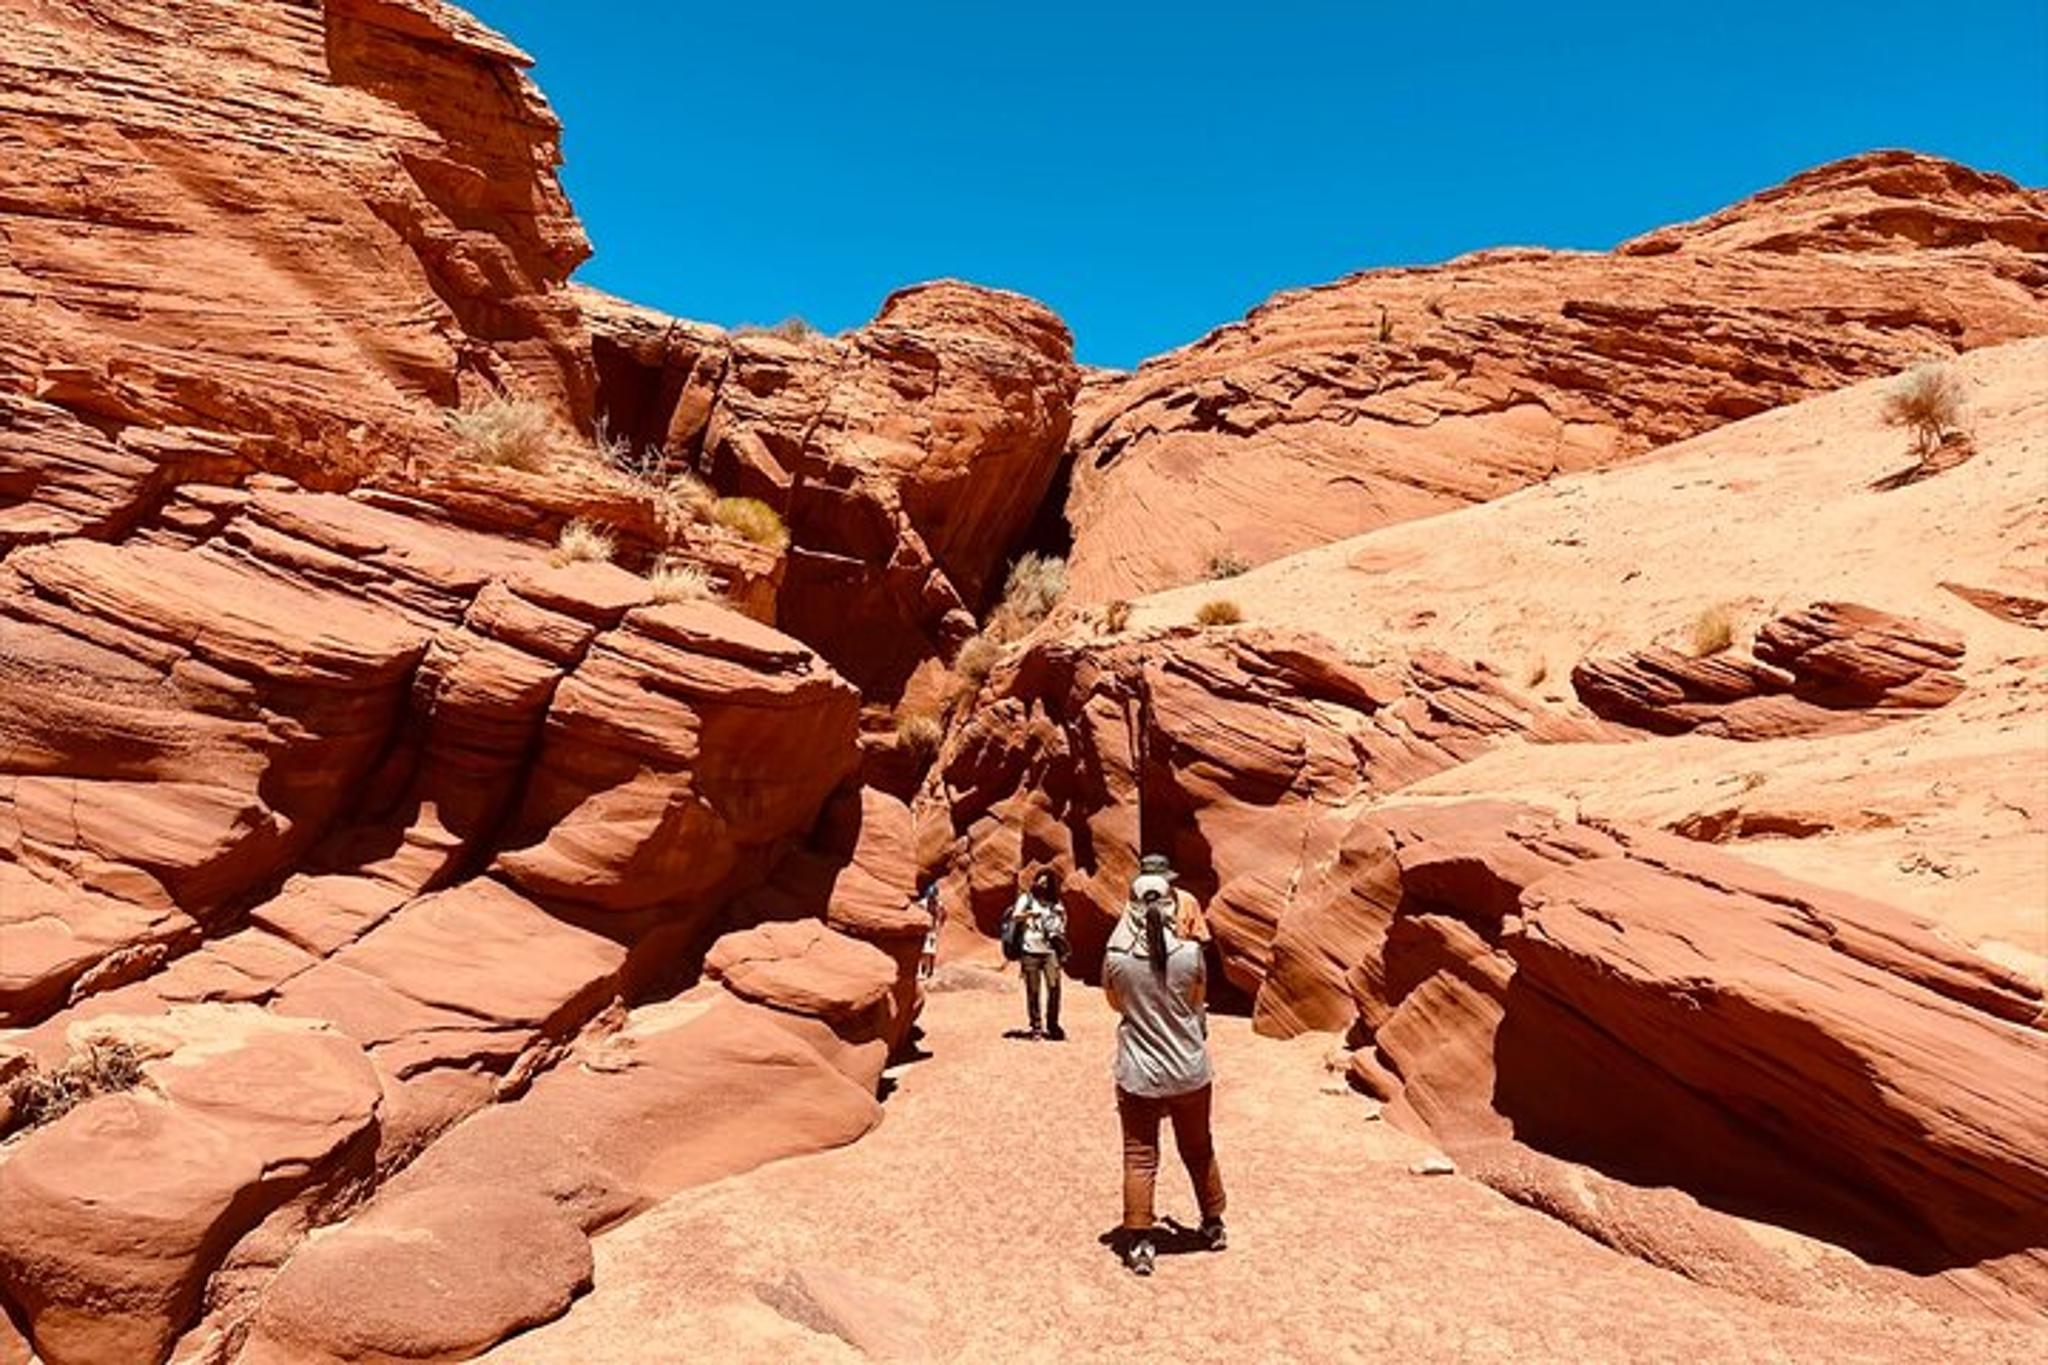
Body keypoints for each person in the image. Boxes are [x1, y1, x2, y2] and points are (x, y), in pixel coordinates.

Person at [1102, 857, 1227, 1276]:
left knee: (1140, 1157)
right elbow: (1196, 1001)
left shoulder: (1117, 958)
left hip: (1139, 1071)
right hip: (1189, 1068)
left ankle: (1139, 1241)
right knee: (1198, 1146)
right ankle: (1212, 1223)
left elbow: (1114, 1003)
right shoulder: (1191, 955)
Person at [1004, 868, 1067, 1040]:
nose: (1043, 885)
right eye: (1041, 881)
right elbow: (1015, 916)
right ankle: (1036, 1026)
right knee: (1033, 990)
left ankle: (1053, 1024)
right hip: (1030, 949)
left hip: (1049, 950)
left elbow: (1061, 926)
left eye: (1046, 883)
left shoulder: (1055, 903)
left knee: (1054, 987)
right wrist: (1030, 914)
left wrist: (1060, 919)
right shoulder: (1027, 899)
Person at [915, 882, 943, 981]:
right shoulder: (923, 903)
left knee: (930, 952)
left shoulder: (938, 904)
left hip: (932, 929)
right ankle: (919, 971)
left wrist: (938, 927)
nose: (932, 898)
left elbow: (940, 915)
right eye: (931, 896)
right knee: (923, 951)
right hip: (925, 928)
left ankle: (927, 972)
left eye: (933, 896)